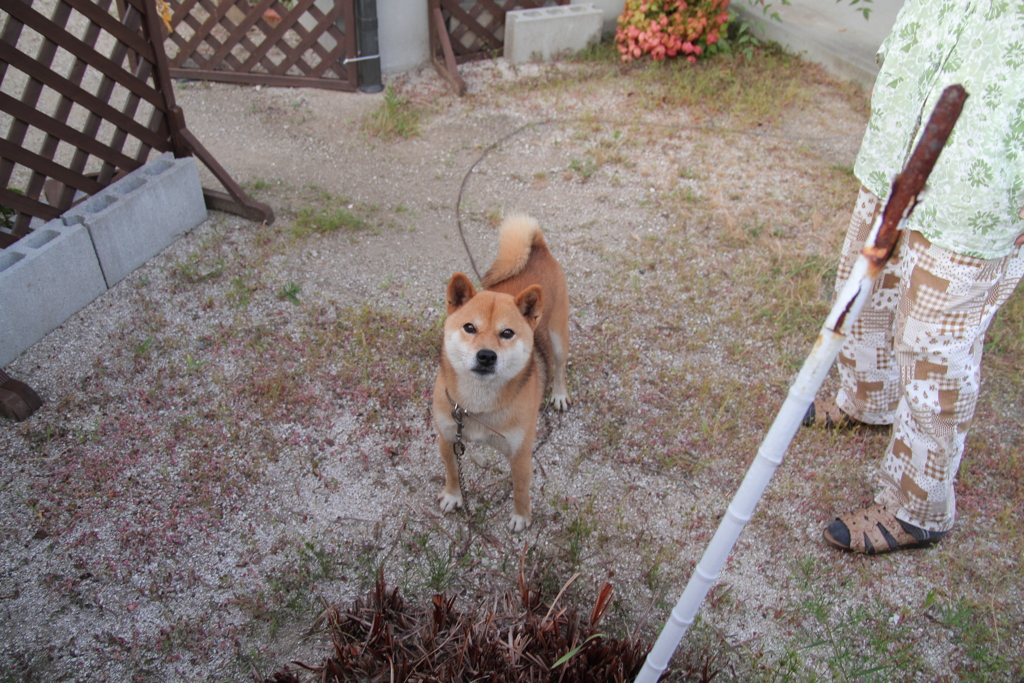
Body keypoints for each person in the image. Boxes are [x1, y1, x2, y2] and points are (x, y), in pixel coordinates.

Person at [802, 0, 1024, 554]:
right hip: (903, 145)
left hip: (986, 179)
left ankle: (917, 505)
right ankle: (867, 398)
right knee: (865, 291)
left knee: (935, 346)